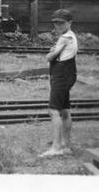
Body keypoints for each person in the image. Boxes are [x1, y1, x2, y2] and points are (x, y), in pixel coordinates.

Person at [39, 9, 79, 157]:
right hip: (68, 73)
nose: (58, 26)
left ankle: (56, 148)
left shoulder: (64, 38)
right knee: (64, 109)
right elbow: (59, 53)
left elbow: (49, 57)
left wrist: (51, 52)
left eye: (61, 23)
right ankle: (66, 146)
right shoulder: (71, 36)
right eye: (56, 23)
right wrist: (56, 51)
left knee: (54, 110)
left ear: (69, 22)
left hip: (61, 74)